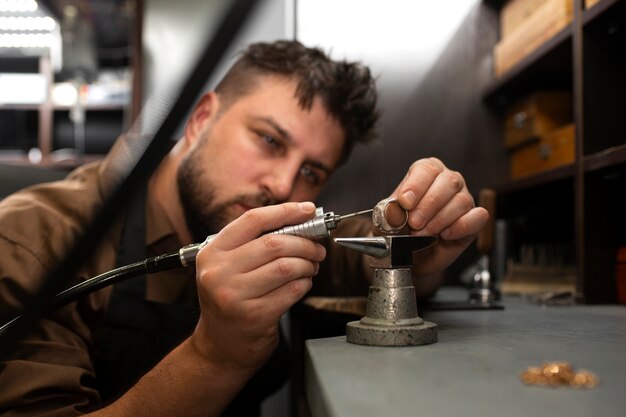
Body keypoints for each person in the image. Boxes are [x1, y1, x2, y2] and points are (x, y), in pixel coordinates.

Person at [0, 40, 488, 416]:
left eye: (311, 172)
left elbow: (354, 254)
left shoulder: (270, 226)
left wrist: (419, 250)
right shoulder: (31, 244)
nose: (282, 184)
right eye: (270, 140)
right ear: (202, 118)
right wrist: (216, 356)